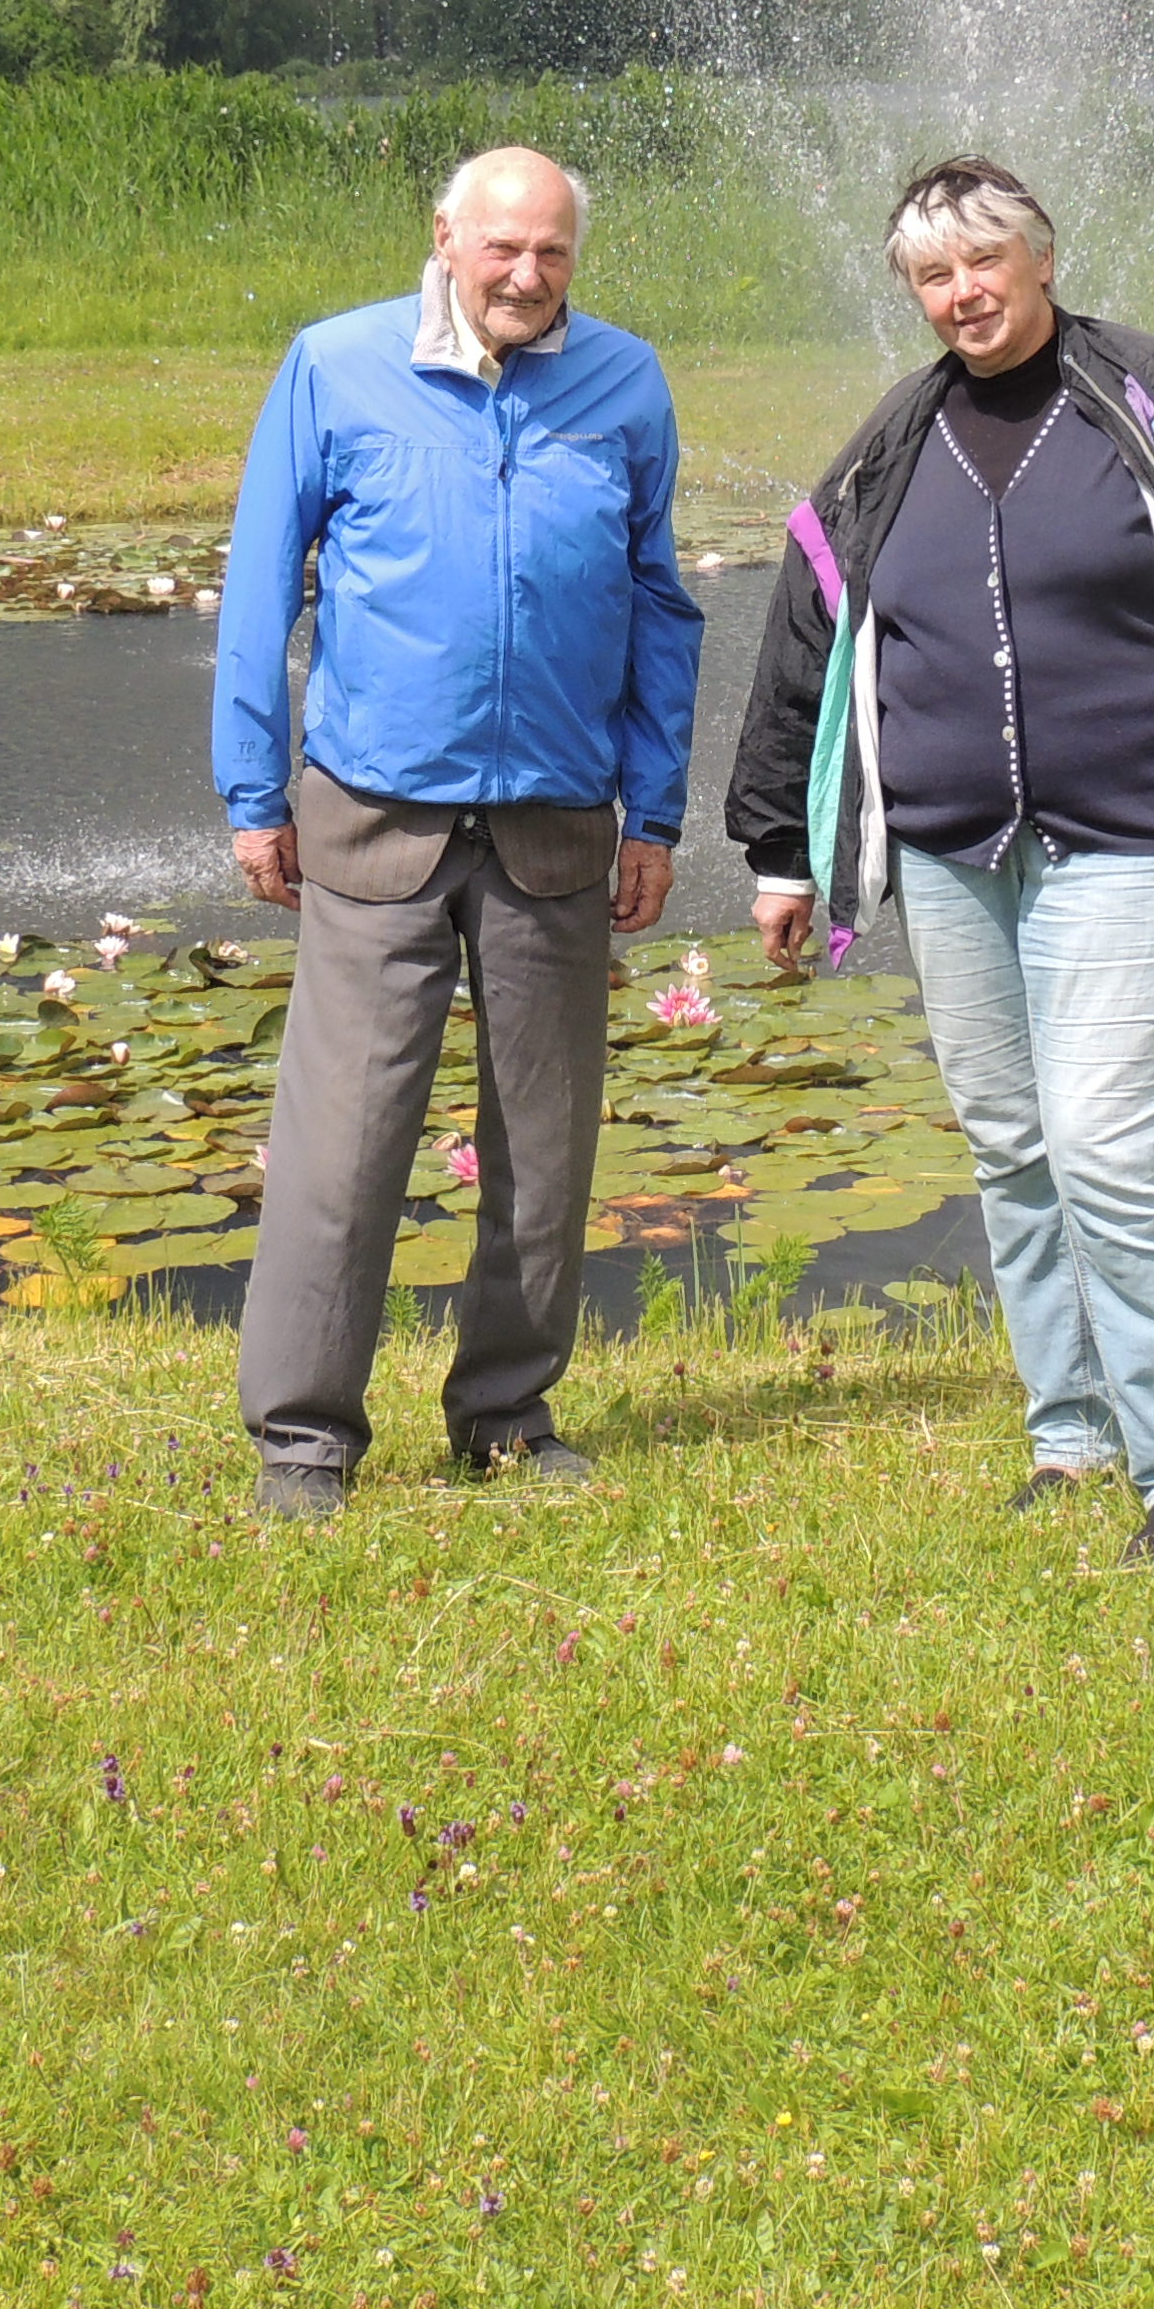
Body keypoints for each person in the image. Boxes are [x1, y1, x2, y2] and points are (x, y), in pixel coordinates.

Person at [726, 157, 1154, 1566]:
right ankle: (1068, 1436)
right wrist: (782, 851)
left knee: (1110, 1149)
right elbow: (806, 645)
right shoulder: (889, 447)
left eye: (985, 262)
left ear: (1042, 258)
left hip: (1136, 836)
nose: (964, 294)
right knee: (1012, 1147)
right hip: (950, 853)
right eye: (934, 276)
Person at [214, 144, 705, 1522]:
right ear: (444, 236)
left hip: (559, 820)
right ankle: (304, 1440)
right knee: (344, 1146)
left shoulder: (626, 383)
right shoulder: (335, 365)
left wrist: (657, 806)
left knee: (545, 1150)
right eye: (502, 247)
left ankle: (505, 1418)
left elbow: (661, 607)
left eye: (552, 252)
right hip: (376, 816)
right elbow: (261, 587)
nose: (526, 275)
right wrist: (253, 791)